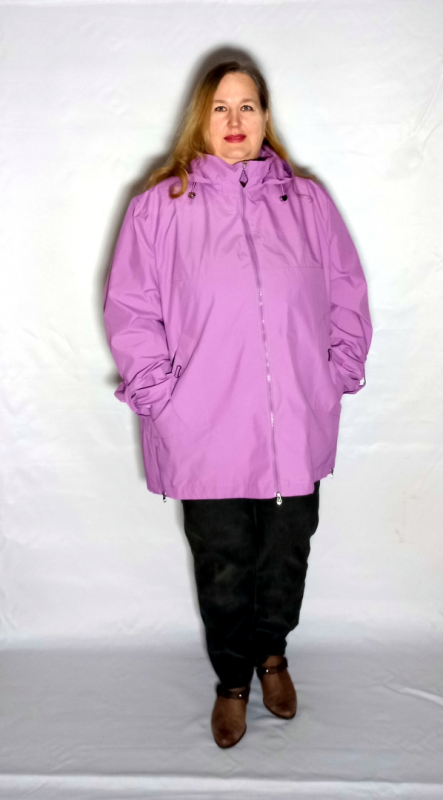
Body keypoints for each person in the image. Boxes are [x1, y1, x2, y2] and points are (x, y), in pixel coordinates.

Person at [103, 59, 372, 749]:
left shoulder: (306, 203)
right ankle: (231, 681)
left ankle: (272, 657)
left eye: (247, 106)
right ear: (200, 118)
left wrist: (337, 371)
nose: (233, 121)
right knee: (223, 562)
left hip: (294, 423)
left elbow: (346, 287)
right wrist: (162, 398)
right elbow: (131, 310)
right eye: (220, 107)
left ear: (265, 117)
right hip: (203, 427)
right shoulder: (161, 207)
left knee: (287, 552)